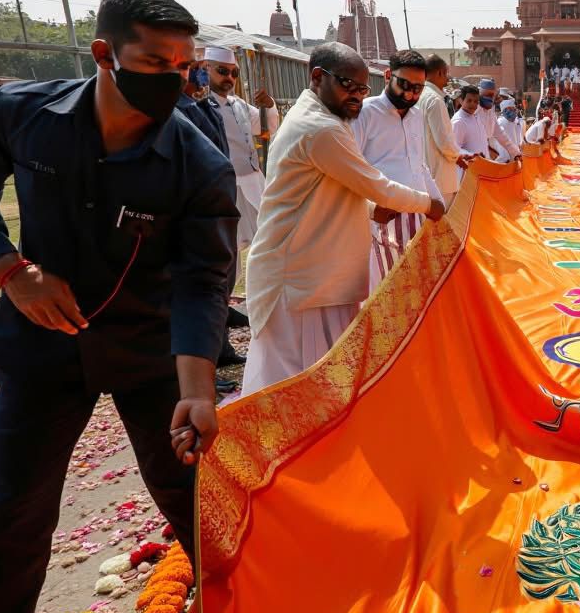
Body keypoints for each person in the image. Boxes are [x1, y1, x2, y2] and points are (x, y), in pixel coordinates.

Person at [0, 0, 239, 613]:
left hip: (151, 356)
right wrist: (11, 269)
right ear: (104, 55)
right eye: (155, 61)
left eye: (185, 66)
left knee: (200, 509)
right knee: (10, 521)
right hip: (41, 353)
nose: (175, 79)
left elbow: (204, 280)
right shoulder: (24, 116)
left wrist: (196, 389)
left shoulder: (199, 164)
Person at [242, 44, 444, 396]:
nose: (356, 96)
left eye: (362, 89)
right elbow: (372, 182)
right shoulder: (320, 128)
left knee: (325, 384)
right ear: (318, 77)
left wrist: (368, 209)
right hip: (298, 279)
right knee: (292, 391)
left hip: (319, 273)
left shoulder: (328, 120)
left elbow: (331, 185)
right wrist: (430, 204)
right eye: (348, 85)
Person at [176, 54, 245, 377]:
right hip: (192, 211)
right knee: (200, 288)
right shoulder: (176, 108)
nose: (199, 77)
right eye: (197, 70)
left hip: (217, 203)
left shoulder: (204, 105)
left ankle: (220, 350)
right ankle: (204, 366)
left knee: (223, 277)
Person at [354, 50, 446, 287]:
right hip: (382, 222)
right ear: (388, 75)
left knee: (416, 287)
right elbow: (350, 172)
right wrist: (371, 208)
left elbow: (419, 165)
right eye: (404, 84)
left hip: (417, 216)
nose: (410, 93)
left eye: (418, 88)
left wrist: (437, 203)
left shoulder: (416, 115)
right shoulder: (364, 114)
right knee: (385, 290)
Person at [205, 46, 279, 251]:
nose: (229, 77)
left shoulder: (239, 104)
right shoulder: (199, 107)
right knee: (228, 248)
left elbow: (268, 127)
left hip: (253, 182)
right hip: (225, 187)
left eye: (234, 73)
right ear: (206, 69)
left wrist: (269, 104)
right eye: (222, 71)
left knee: (269, 239)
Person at [419, 55, 469, 208]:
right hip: (440, 178)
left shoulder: (420, 96)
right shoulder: (434, 100)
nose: (447, 78)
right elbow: (444, 143)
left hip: (427, 175)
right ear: (440, 73)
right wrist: (459, 157)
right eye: (446, 73)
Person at [452, 84, 489, 172]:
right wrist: (472, 155)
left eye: (476, 101)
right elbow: (453, 149)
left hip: (482, 169)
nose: (473, 104)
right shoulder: (459, 122)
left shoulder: (476, 117)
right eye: (469, 100)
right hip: (466, 171)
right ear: (461, 100)